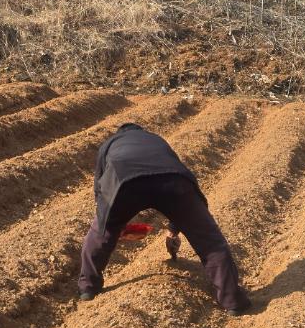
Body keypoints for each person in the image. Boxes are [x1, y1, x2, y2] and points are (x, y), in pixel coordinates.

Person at [78, 123, 250, 315]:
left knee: (99, 235)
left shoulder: (110, 143)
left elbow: (99, 187)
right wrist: (174, 228)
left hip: (124, 184)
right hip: (173, 182)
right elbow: (181, 178)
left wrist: (109, 221)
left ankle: (88, 288)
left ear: (120, 133)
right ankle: (232, 301)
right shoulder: (157, 140)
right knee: (210, 242)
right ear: (141, 132)